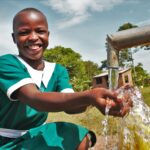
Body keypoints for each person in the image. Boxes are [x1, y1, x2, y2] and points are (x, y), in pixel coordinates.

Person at [0, 8, 132, 150]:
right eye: (24, 32)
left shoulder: (57, 70)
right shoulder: (7, 63)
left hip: (37, 133)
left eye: (40, 31)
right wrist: (89, 97)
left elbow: (70, 105)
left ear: (48, 35)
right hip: (7, 141)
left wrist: (99, 97)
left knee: (79, 136)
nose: (33, 37)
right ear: (14, 38)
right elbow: (35, 98)